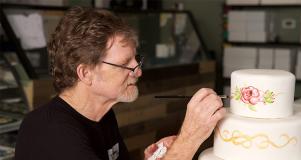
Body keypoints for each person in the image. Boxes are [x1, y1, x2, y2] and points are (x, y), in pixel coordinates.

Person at [15, 6, 225, 160]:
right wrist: (187, 141)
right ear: (86, 73)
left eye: (136, 60)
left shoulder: (103, 115)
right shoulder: (51, 133)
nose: (138, 71)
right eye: (125, 64)